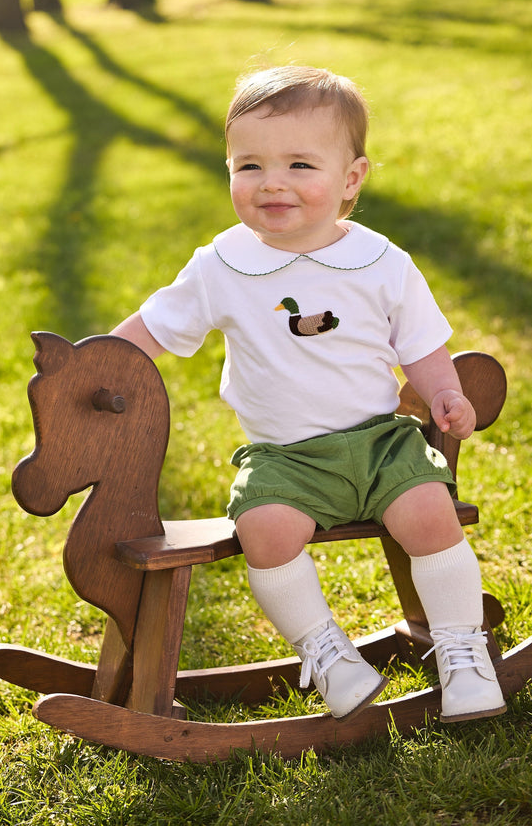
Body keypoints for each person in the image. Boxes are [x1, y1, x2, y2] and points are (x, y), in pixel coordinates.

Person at [111, 65, 506, 724]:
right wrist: (94, 362)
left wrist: (444, 392)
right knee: (263, 531)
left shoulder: (381, 262)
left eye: (299, 164)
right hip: (284, 458)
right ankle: (327, 654)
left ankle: (463, 654)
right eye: (250, 165)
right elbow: (149, 330)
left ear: (351, 179)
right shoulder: (222, 264)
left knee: (430, 516)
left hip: (382, 444)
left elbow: (421, 343)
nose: (272, 182)